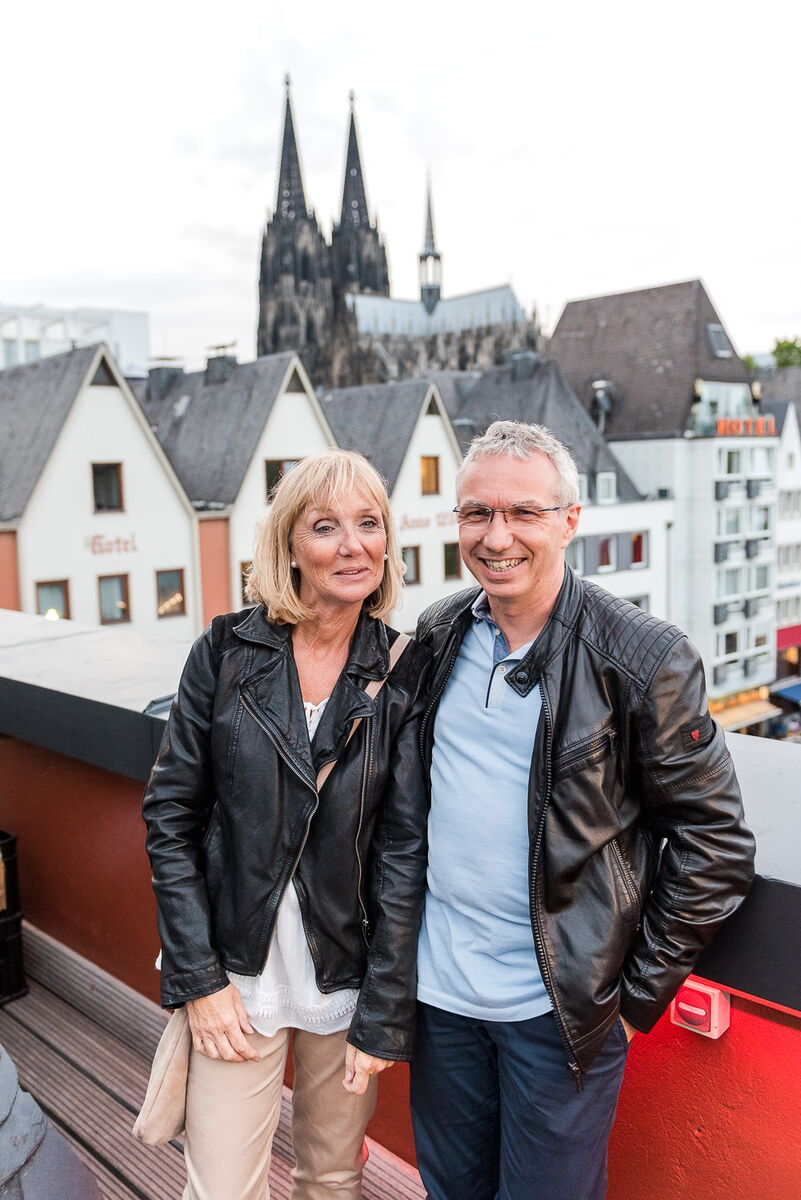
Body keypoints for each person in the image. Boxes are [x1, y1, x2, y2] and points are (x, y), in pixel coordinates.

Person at [410, 420, 755, 1200]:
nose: (496, 536)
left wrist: (631, 1003)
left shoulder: (640, 657)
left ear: (569, 520)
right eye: (476, 512)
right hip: (440, 1000)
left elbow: (715, 843)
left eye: (523, 512)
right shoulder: (437, 634)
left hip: (558, 1014)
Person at [142, 448, 429, 1200]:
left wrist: (384, 1009)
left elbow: (403, 852)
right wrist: (199, 980)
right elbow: (171, 817)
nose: (353, 546)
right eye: (325, 527)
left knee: (331, 1178)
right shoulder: (226, 652)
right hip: (236, 974)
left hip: (346, 972)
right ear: (289, 547)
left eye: (369, 524)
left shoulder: (403, 671)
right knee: (221, 1188)